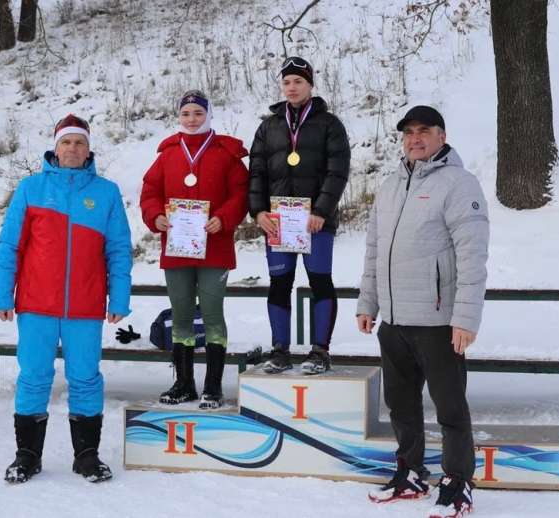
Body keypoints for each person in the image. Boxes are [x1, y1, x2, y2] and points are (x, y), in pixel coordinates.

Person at [356, 106, 489, 517]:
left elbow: (472, 256)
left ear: (441, 136)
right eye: (408, 133)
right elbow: (375, 250)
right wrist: (368, 302)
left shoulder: (459, 184)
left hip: (437, 323)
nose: (415, 139)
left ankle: (458, 483)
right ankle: (410, 473)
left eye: (424, 131)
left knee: (450, 407)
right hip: (394, 321)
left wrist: (465, 318)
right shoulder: (391, 185)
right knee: (400, 404)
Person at [0, 114, 132, 484]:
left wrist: (119, 297)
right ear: (55, 148)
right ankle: (27, 455)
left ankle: (86, 456)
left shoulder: (106, 192)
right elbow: (10, 244)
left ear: (89, 149)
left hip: (84, 306)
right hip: (36, 303)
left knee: (85, 377)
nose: (72, 148)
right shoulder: (31, 188)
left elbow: (119, 249)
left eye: (79, 142)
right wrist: (3, 293)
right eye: (66, 142)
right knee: (34, 376)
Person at [140, 90, 249, 408]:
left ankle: (213, 386)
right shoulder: (167, 154)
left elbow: (241, 193)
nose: (191, 119)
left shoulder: (226, 153)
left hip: (215, 247)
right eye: (186, 113)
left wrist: (223, 218)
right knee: (182, 315)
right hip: (177, 248)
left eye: (198, 113)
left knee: (212, 314)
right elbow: (149, 192)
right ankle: (184, 383)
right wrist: (155, 216)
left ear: (208, 115)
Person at [248, 56, 351, 374]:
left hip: (315, 222)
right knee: (280, 283)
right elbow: (256, 173)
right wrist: (258, 211)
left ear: (310, 85)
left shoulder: (330, 124)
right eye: (287, 82)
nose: (292, 87)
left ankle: (320, 351)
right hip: (278, 222)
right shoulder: (268, 126)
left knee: (320, 281)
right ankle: (280, 351)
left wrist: (321, 210)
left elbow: (338, 171)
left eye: (298, 81)